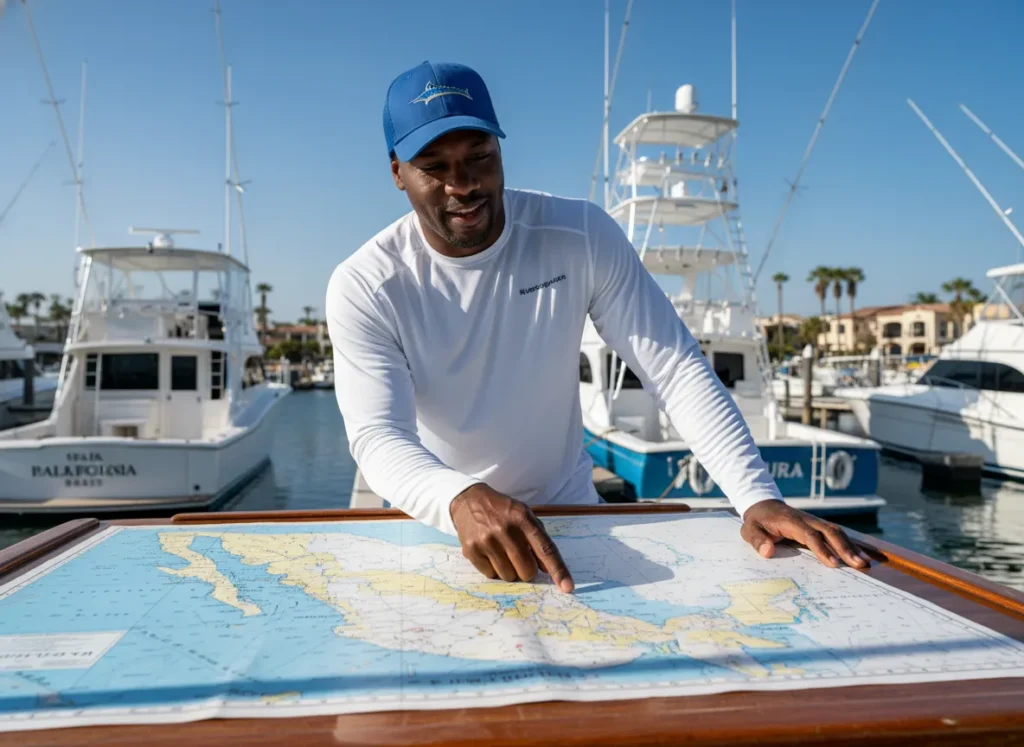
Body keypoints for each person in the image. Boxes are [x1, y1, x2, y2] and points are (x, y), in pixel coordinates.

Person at [326, 61, 869, 593]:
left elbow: (674, 368)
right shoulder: (366, 284)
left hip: (573, 515)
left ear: (500, 152)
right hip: (439, 526)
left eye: (479, 158)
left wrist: (755, 495)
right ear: (397, 172)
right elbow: (379, 436)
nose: (462, 184)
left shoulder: (579, 234)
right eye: (434, 166)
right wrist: (459, 497)